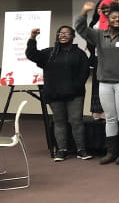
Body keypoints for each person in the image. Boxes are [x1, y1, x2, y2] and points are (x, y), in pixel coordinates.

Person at [75, 2, 119, 165]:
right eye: (114, 17)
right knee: (110, 118)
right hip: (104, 83)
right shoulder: (100, 35)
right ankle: (111, 152)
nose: (117, 20)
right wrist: (84, 11)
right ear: (107, 19)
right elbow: (81, 29)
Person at [26, 26, 91, 162]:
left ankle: (81, 150)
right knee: (59, 121)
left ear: (73, 36)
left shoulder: (79, 53)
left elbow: (84, 73)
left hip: (75, 94)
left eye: (66, 33)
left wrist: (74, 87)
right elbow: (31, 55)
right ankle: (62, 150)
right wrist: (32, 37)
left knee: (76, 121)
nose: (62, 35)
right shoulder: (50, 52)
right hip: (54, 93)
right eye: (60, 33)